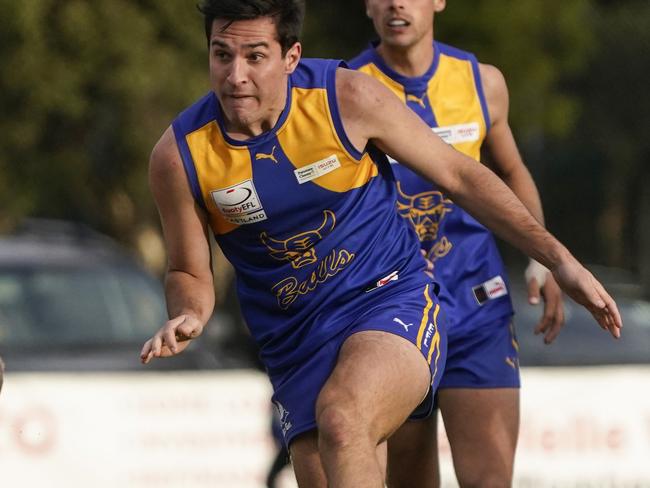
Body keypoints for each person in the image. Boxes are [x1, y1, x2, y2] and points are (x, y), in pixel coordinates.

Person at [139, 1, 621, 486]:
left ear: (291, 56)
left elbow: (460, 175)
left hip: (389, 299)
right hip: (294, 341)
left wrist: (557, 260)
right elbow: (187, 270)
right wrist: (189, 313)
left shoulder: (345, 97)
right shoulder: (179, 156)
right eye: (222, 55)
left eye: (255, 57)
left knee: (343, 419)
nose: (236, 75)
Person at [348, 1, 563, 486]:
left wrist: (540, 260)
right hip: (392, 311)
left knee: (490, 479)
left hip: (476, 302)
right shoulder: (347, 91)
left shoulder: (481, 81)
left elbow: (511, 171)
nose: (396, 4)